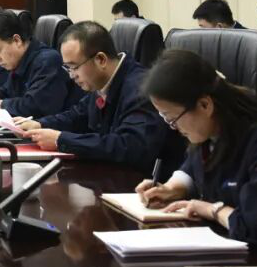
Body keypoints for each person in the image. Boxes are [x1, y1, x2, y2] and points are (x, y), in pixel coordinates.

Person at [136, 50, 257, 253]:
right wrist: (172, 187)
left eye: (172, 119)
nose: (173, 127)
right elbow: (195, 165)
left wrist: (213, 210)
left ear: (205, 105)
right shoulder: (211, 131)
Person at [15, 21, 183, 175]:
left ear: (101, 59)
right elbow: (78, 115)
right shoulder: (102, 81)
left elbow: (129, 145)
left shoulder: (140, 89)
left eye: (74, 67)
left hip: (143, 182)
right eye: (68, 68)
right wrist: (40, 124)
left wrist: (61, 140)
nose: (72, 75)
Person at [0, 10, 84, 117]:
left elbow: (35, 106)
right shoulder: (19, 61)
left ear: (17, 40)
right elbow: (8, 90)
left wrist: (2, 104)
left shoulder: (47, 61)